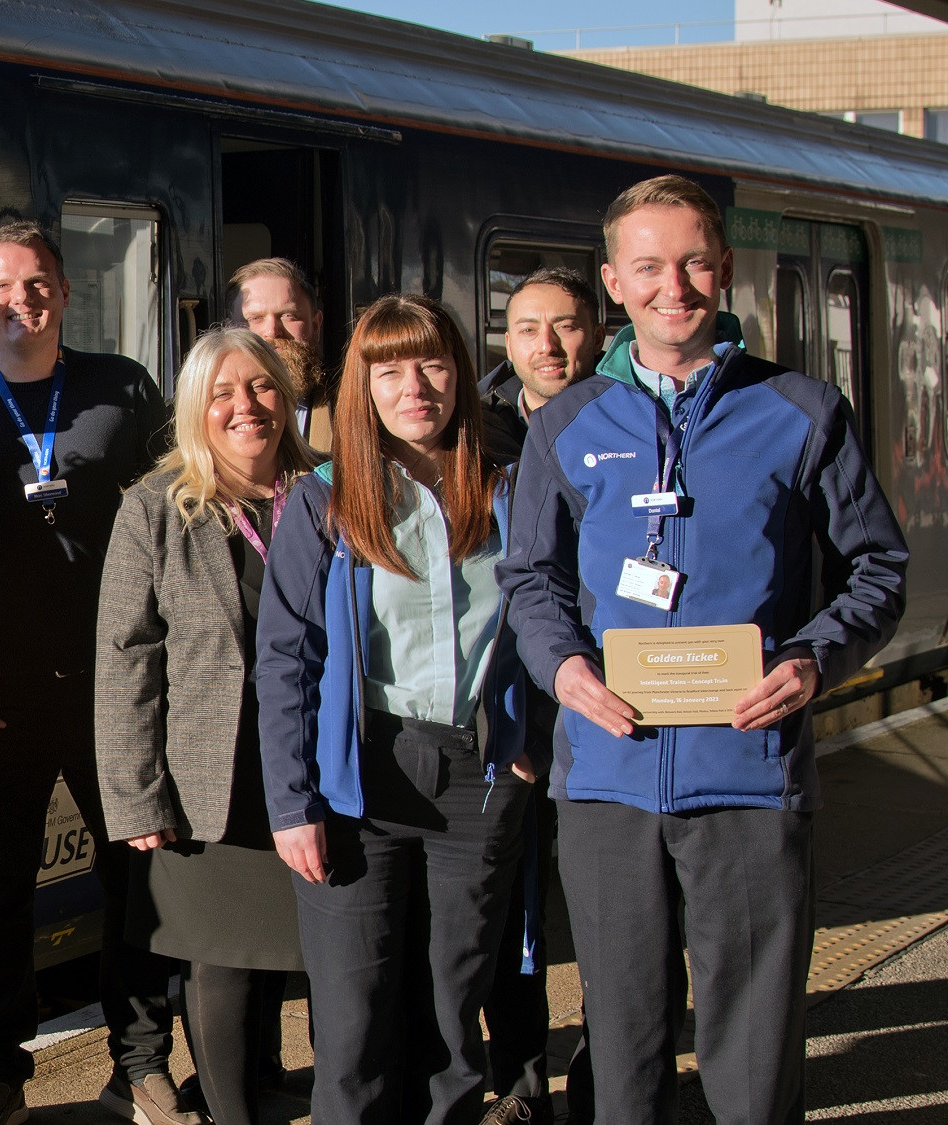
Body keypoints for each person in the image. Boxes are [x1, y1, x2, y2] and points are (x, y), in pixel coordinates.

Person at [500, 175, 908, 1125]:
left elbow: (878, 567)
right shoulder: (568, 423)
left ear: (723, 269)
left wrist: (812, 658)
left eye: (691, 262)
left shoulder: (801, 410)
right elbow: (531, 581)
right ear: (614, 281)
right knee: (624, 1042)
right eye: (648, 266)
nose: (671, 285)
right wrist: (563, 668)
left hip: (752, 775)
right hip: (608, 778)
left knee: (755, 1049)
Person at [0, 222, 180, 1125]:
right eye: (2, 287)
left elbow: (177, 521)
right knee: (0, 883)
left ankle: (139, 1062)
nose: (21, 301)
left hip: (115, 686)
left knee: (134, 875)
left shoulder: (121, 389)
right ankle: (0, 1070)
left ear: (63, 291)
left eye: (38, 284)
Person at [256, 294, 539, 1124]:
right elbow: (286, 659)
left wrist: (533, 737)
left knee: (452, 1018)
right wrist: (291, 801)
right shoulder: (324, 500)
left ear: (461, 373)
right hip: (360, 779)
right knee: (353, 1021)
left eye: (434, 364)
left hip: (479, 775)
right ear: (363, 387)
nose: (415, 386)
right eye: (390, 370)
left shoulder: (511, 484)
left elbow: (554, 615)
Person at [96, 328, 318, 1125]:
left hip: (311, 769)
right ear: (195, 408)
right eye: (222, 393)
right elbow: (124, 661)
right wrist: (136, 797)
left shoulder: (326, 493)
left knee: (300, 955)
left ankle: (289, 1089)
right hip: (206, 778)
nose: (244, 407)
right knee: (220, 962)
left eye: (260, 387)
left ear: (285, 398)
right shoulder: (154, 508)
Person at [474, 267, 606, 1125]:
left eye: (565, 326)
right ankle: (518, 1088)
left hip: (609, 706)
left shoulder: (638, 420)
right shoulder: (472, 434)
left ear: (597, 331)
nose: (547, 346)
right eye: (527, 329)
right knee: (509, 915)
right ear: (506, 340)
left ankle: (607, 1084)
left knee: (610, 911)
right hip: (511, 711)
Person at [228, 257, 332, 451]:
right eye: (256, 318)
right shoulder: (209, 415)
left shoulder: (347, 409)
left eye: (288, 315)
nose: (272, 331)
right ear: (230, 329)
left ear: (316, 325)